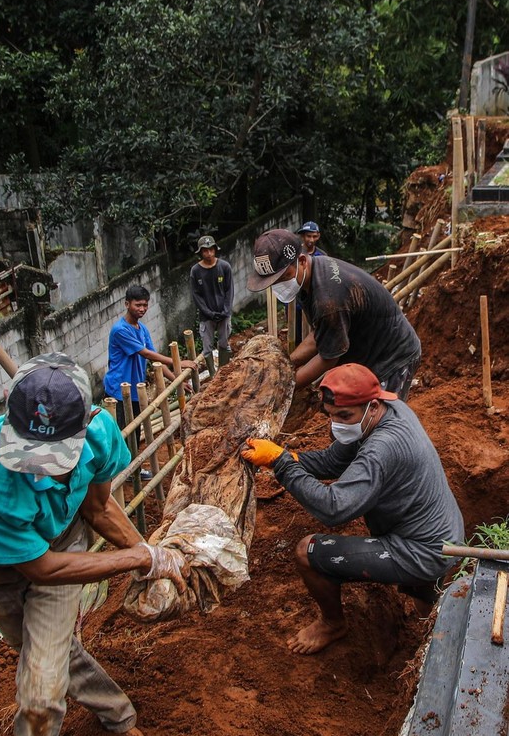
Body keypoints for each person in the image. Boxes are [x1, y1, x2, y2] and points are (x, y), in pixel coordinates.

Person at [0, 352, 188, 736]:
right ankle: (117, 711)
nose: (41, 470)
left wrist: (151, 556)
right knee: (45, 652)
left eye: (54, 457)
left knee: (40, 694)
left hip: (61, 542)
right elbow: (38, 569)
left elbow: (96, 508)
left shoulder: (99, 432)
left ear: (86, 424)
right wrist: (136, 558)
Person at [241, 363, 464, 655]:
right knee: (426, 599)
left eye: (344, 416)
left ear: (372, 406)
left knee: (305, 551)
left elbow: (334, 509)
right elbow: (333, 462)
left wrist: (283, 465)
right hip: (443, 533)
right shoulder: (389, 413)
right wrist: (285, 457)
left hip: (422, 549)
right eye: (331, 416)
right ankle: (431, 634)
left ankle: (332, 624)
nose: (336, 424)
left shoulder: (382, 448)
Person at [247, 229, 421, 399]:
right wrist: (287, 364)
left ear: (301, 261)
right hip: (366, 352)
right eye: (273, 281)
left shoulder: (329, 299)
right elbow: (320, 334)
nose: (278, 284)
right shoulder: (311, 274)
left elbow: (329, 357)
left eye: (283, 277)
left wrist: (282, 389)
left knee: (380, 418)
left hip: (393, 358)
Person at [104, 284, 198, 454]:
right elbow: (146, 353)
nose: (142, 309)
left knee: (136, 430)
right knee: (122, 434)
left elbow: (156, 362)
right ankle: (122, 473)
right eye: (137, 305)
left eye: (145, 305)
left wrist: (177, 381)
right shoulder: (120, 330)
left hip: (135, 390)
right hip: (119, 390)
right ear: (127, 304)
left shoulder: (142, 329)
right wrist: (177, 362)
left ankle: (134, 470)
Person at [189, 235, 234, 376]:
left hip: (223, 313)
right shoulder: (195, 271)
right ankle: (213, 375)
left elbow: (229, 290)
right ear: (201, 253)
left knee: (224, 343)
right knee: (207, 347)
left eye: (211, 250)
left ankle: (223, 372)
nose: (209, 254)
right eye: (205, 251)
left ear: (215, 250)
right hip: (206, 316)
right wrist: (208, 312)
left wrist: (226, 310)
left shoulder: (224, 267)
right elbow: (196, 295)